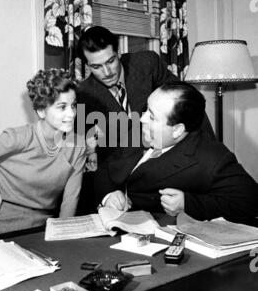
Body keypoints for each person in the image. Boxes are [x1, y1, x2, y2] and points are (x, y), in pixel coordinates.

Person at [76, 25, 214, 213]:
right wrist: (108, 195)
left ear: (118, 53)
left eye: (111, 61)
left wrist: (208, 152)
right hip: (129, 177)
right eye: (96, 67)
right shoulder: (84, 94)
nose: (107, 72)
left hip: (173, 159)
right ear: (86, 65)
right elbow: (94, 156)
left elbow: (186, 102)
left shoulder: (147, 64)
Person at [98, 82, 258, 223]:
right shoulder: (144, 130)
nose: (142, 119)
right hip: (107, 222)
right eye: (147, 110)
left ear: (177, 130)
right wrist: (108, 195)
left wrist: (188, 204)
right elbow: (105, 168)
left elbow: (250, 201)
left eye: (152, 117)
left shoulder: (210, 158)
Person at [0, 69, 86, 238]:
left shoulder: (78, 146)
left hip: (41, 229)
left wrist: (61, 238)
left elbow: (69, 203)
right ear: (41, 111)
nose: (71, 114)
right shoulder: (16, 138)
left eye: (73, 105)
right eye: (61, 107)